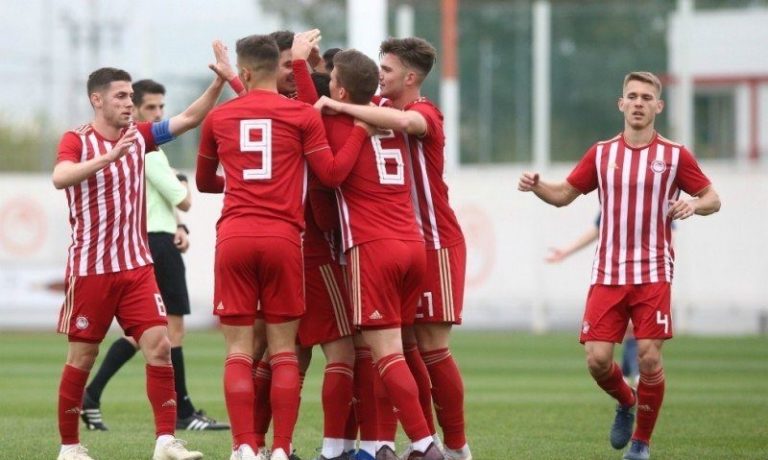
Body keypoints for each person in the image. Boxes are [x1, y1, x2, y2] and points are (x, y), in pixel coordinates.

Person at [518, 71, 721, 460]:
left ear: (658, 106)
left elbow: (713, 197)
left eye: (647, 97)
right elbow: (563, 195)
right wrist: (537, 186)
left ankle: (640, 444)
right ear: (621, 104)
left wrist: (693, 204)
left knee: (648, 356)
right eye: (633, 96)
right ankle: (627, 400)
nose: (639, 103)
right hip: (608, 272)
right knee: (597, 361)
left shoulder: (675, 155)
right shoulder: (602, 153)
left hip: (653, 271)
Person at [195, 34, 370, 460]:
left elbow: (203, 183)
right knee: (285, 352)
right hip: (284, 239)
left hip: (235, 237)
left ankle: (244, 448)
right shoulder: (302, 116)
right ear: (280, 67)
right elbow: (330, 175)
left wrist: (241, 181)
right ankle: (280, 449)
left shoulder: (218, 119)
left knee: (239, 352)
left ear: (245, 71)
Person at [53, 62, 225, 460]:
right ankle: (70, 447)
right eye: (120, 96)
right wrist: (108, 157)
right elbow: (61, 177)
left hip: (136, 267)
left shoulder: (141, 136)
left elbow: (189, 118)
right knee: (82, 357)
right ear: (97, 100)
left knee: (160, 346)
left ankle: (165, 441)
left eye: (131, 96)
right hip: (91, 269)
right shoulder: (77, 140)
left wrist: (218, 81)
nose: (129, 103)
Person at [315, 37, 471, 460]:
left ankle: (455, 447)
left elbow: (406, 124)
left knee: (432, 349)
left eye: (387, 69)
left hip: (435, 240)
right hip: (407, 241)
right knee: (401, 348)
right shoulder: (379, 107)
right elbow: (351, 91)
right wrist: (320, 71)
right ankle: (402, 442)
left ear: (411, 77)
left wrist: (340, 107)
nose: (380, 76)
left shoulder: (424, 112)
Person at [545, 212, 675, 386]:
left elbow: (670, 234)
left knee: (641, 337)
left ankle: (634, 374)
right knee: (602, 351)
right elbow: (597, 227)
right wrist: (567, 251)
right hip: (615, 276)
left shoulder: (656, 201)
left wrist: (666, 273)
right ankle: (630, 376)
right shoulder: (613, 200)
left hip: (650, 277)